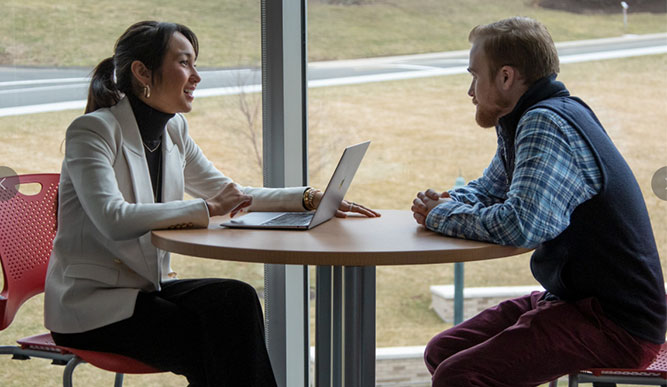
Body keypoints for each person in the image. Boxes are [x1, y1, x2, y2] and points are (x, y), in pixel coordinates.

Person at [44, 20, 379, 387]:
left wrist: (308, 198)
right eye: (185, 63)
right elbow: (113, 218)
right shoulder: (92, 131)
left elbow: (227, 192)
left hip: (143, 291)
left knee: (236, 299)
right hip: (90, 308)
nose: (196, 77)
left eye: (195, 63)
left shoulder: (174, 130)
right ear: (142, 72)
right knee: (211, 339)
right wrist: (206, 209)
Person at [411, 17, 665, 387]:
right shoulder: (529, 116)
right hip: (571, 300)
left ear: (506, 77)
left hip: (615, 324)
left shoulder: (546, 123)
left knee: (460, 375)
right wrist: (443, 203)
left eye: (474, 76)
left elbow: (522, 226)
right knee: (443, 350)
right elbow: (492, 188)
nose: (470, 91)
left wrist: (441, 215)